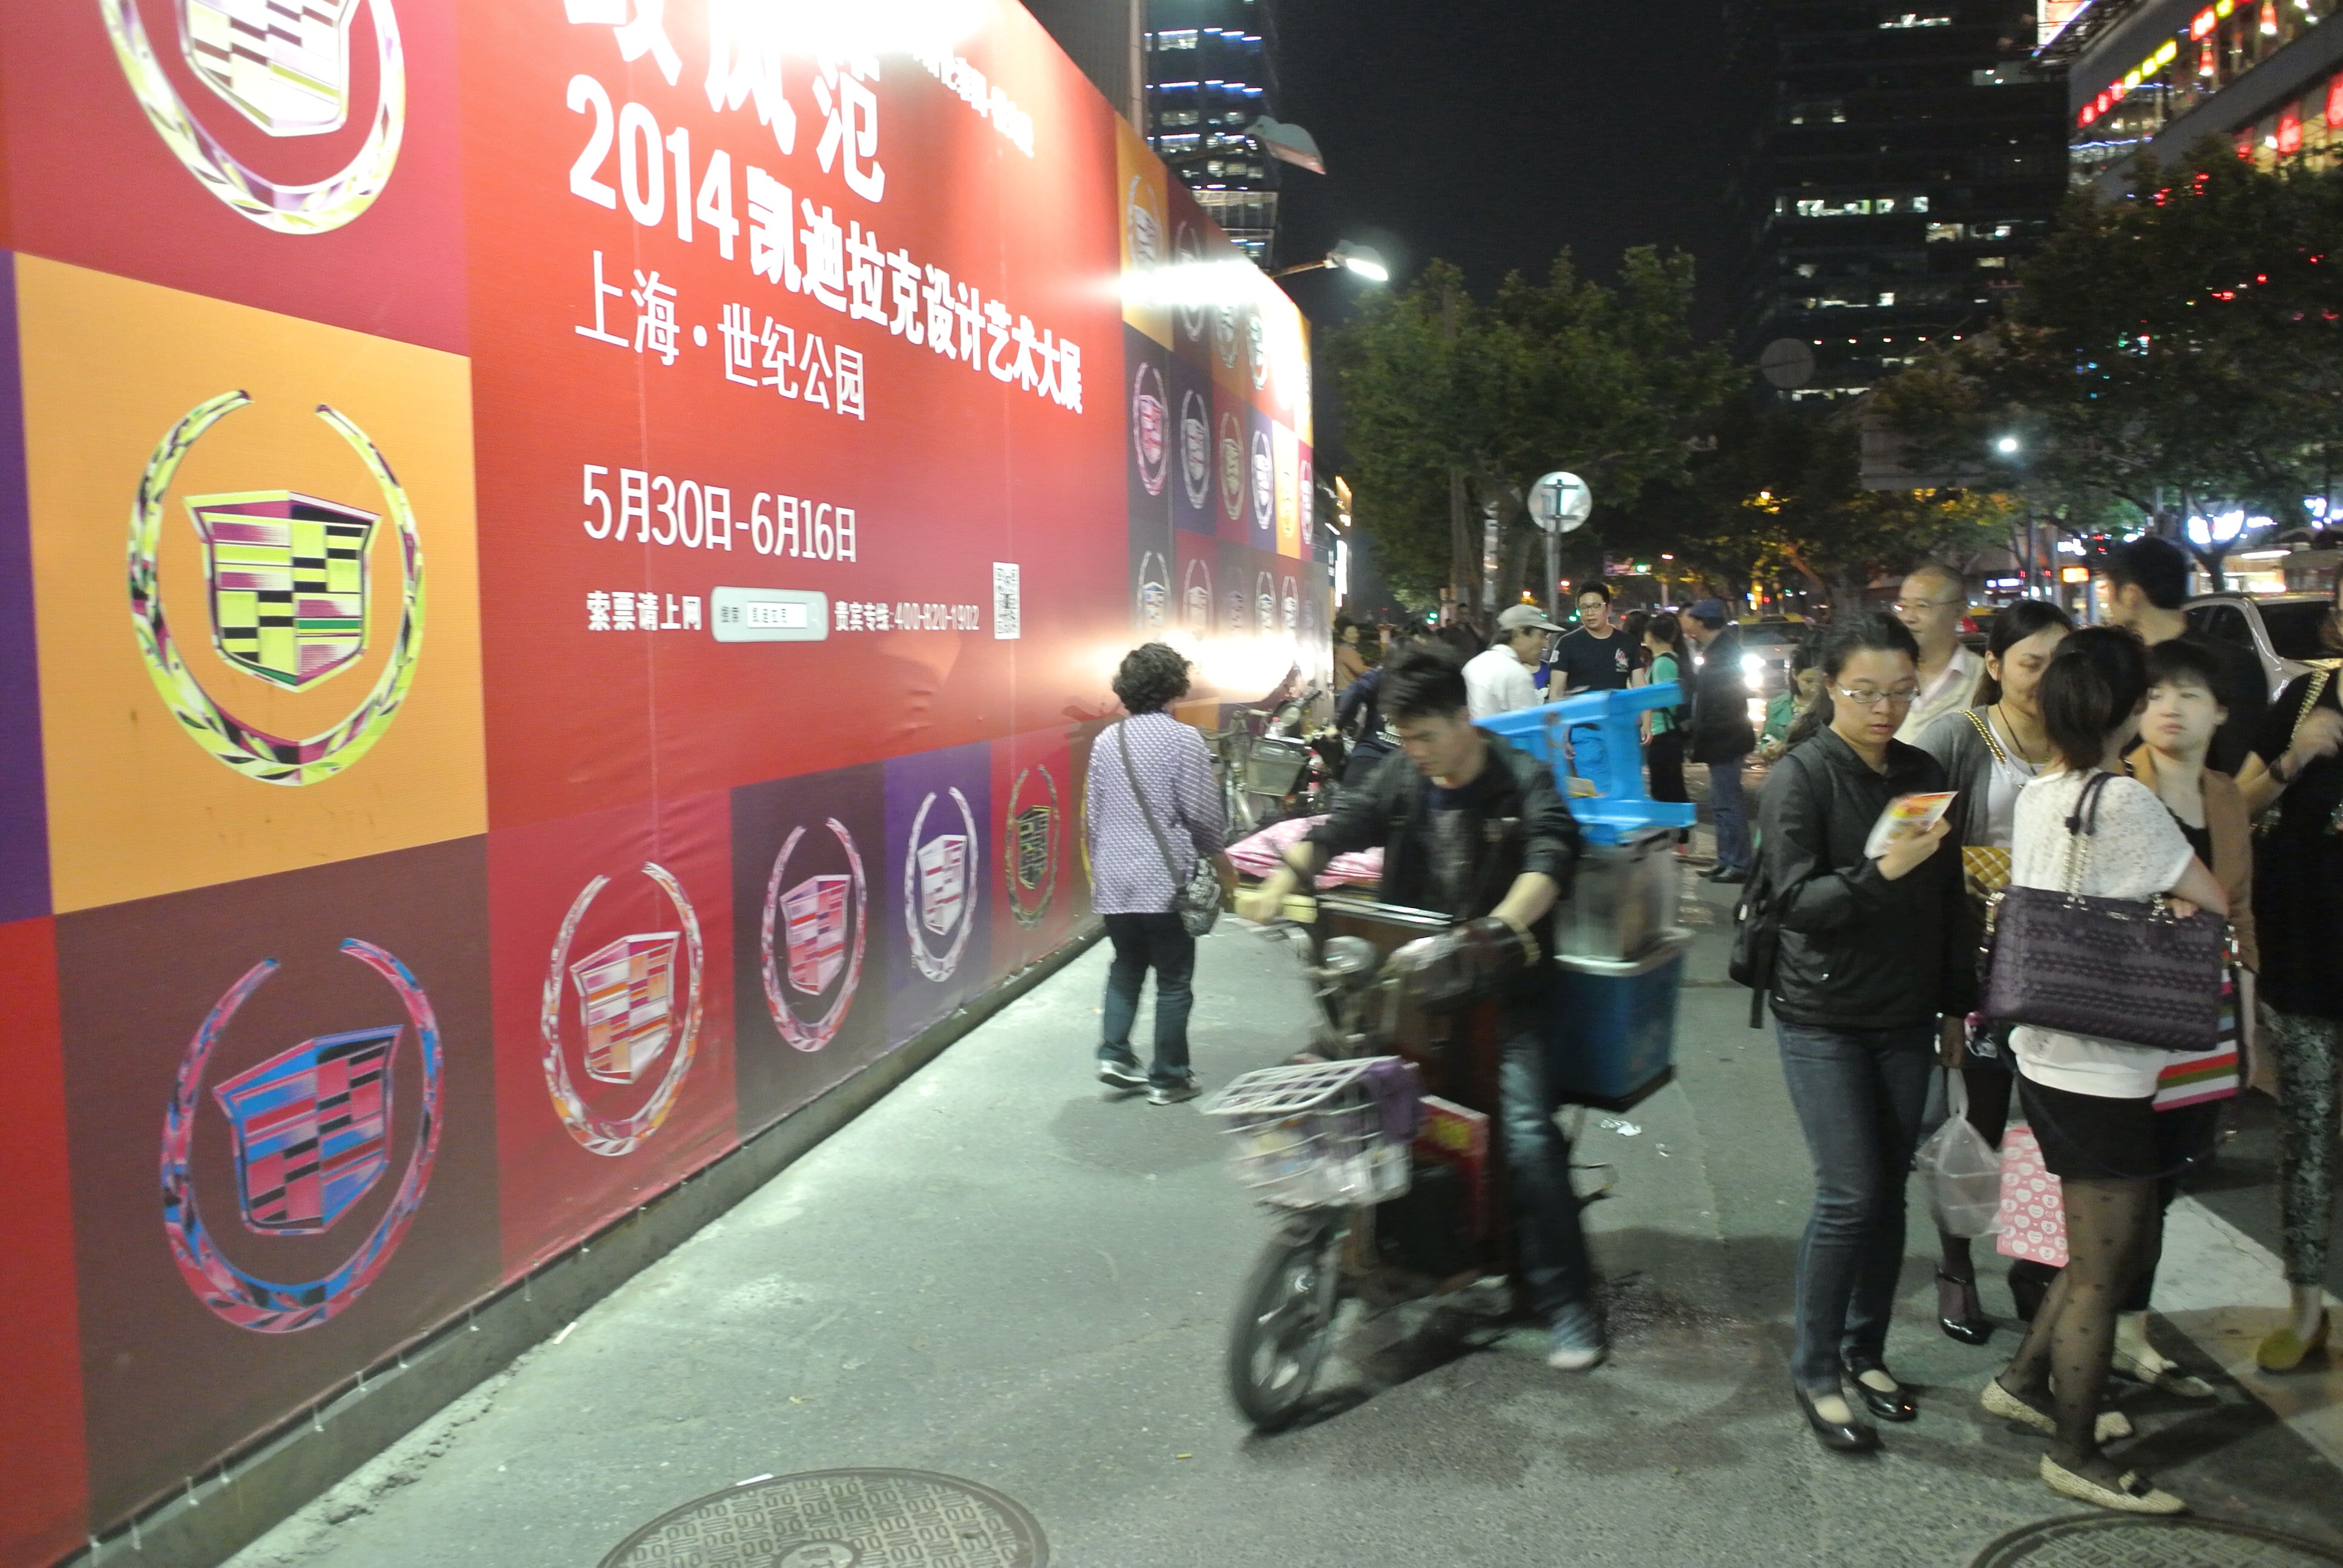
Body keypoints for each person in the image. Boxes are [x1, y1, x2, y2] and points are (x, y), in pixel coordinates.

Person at [1236, 643, 1604, 1368]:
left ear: (1464, 719)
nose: (1416, 752)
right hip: (1408, 990)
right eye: (1404, 738)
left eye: (1427, 736)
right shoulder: (1402, 776)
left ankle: (1567, 1303)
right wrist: (1280, 884)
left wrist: (1497, 927)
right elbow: (1336, 828)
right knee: (1332, 1097)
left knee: (1526, 1138)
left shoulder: (1521, 780)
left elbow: (1549, 860)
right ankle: (1361, 1245)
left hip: (1503, 997)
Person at [1987, 627, 2226, 1516]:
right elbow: (2212, 898)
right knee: (2104, 1267)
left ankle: (2022, 1382)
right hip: (2105, 1064)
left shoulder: (2039, 792)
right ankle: (2075, 1454)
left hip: (2044, 1051)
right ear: (2126, 708)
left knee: (2085, 1251)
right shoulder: (2124, 802)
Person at [1758, 613, 1973, 1455]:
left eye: (1899, 692)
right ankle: (1815, 1369)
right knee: (1849, 1192)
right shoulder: (1802, 777)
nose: (1883, 709)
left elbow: (1948, 900)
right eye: (1864, 692)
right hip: (1822, 1014)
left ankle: (1864, 1349)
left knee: (1886, 1191)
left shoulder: (1921, 771)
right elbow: (1795, 903)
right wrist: (1883, 871)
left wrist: (1954, 1007)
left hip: (1905, 1012)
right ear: (1826, 687)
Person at [1912, 598, 2074, 1344]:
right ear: (1995, 665)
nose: (2042, 679)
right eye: (2030, 663)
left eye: (2057, 664)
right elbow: (1907, 838)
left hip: (2057, 967)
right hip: (1977, 969)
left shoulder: (2083, 739)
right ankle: (1955, 1267)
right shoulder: (1957, 737)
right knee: (1975, 1123)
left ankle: (2031, 1267)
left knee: (2044, 1128)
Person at [2098, 638, 2257, 1393]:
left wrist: (2245, 1016)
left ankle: (2131, 1332)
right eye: (2156, 694)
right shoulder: (2115, 786)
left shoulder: (2224, 796)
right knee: (2118, 1184)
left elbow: (2240, 910)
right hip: (2122, 1016)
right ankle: (2084, 1334)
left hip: (2203, 1012)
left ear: (2218, 712)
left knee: (2165, 1177)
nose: (2169, 708)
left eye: (2189, 695)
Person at [2233, 581, 2343, 1373]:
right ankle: (2305, 1310)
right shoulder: (2302, 700)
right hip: (2304, 958)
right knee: (2308, 1136)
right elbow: (2234, 803)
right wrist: (2294, 756)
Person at [1084, 644, 1235, 1105]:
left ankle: (1114, 1054)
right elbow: (1202, 814)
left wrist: (1103, 869)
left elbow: (1093, 817)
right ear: (1175, 687)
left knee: (1126, 965)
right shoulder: (1183, 740)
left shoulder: (1106, 741)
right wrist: (1221, 862)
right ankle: (1168, 1078)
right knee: (1173, 978)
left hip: (1115, 880)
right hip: (1164, 882)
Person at [2100, 535, 2267, 776]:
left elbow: (2237, 766)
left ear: (2130, 594)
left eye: (2108, 590)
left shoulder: (2228, 665)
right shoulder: (2116, 663)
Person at [1686, 600, 1757, 883]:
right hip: (1722, 738)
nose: (1689, 624)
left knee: (1728, 803)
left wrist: (1704, 730)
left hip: (1726, 739)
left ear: (1702, 623)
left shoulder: (1723, 652)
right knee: (1721, 803)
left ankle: (1738, 862)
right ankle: (1726, 858)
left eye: (1693, 620)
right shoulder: (1718, 649)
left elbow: (1724, 702)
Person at [1893, 563, 1984, 743]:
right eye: (1903, 607)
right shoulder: (1883, 673)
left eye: (1921, 606)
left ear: (1959, 612)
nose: (1908, 618)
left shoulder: (1985, 679)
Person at [1642, 612, 1694, 853]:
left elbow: (1668, 701)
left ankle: (1678, 838)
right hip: (1665, 733)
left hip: (1664, 733)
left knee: (1666, 788)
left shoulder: (1663, 663)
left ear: (1651, 636)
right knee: (1670, 785)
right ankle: (1679, 837)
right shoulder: (1669, 659)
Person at [1465, 603, 1561, 720]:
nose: (1545, 645)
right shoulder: (1517, 673)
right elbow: (1529, 725)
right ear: (1518, 633)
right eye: (1541, 636)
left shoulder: (1474, 665)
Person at [1547, 583, 1638, 696]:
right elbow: (1556, 693)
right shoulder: (1567, 644)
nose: (1590, 613)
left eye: (1596, 606)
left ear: (1608, 608)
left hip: (1618, 707)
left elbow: (1640, 687)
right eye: (1584, 607)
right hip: (1582, 708)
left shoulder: (1628, 642)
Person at [1333, 619, 1370, 688]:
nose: (1355, 635)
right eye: (1350, 633)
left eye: (1356, 632)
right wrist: (1379, 671)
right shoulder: (1346, 651)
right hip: (1347, 691)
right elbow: (1361, 670)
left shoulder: (1344, 649)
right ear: (1343, 637)